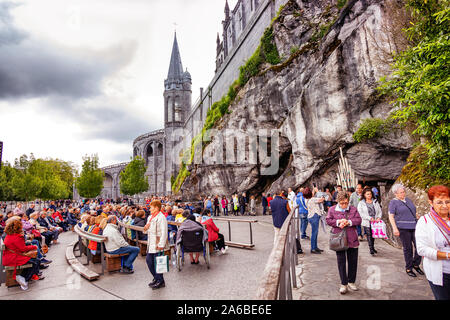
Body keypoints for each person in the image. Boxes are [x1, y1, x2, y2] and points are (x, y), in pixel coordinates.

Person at [415, 185, 450, 300]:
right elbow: (421, 249)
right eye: (439, 202)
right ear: (431, 202)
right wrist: (447, 255)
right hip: (441, 272)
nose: (445, 206)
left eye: (447, 202)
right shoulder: (425, 221)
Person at [326, 191, 362, 294]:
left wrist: (349, 222)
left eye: (346, 203)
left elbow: (359, 220)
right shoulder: (332, 209)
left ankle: (351, 281)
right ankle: (343, 283)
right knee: (341, 262)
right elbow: (328, 220)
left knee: (353, 262)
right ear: (338, 201)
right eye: (341, 203)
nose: (344, 205)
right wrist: (338, 222)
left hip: (352, 238)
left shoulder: (353, 209)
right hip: (339, 239)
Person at [388, 183, 423, 277]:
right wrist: (395, 228)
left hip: (414, 226)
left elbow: (413, 211)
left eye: (403, 192)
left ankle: (416, 264)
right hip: (403, 228)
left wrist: (417, 216)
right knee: (408, 249)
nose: (403, 194)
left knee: (419, 246)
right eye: (401, 192)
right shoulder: (393, 202)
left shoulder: (408, 200)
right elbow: (391, 216)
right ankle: (409, 268)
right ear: (395, 193)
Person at [2, 218, 42, 290]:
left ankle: (23, 277)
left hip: (9, 257)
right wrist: (34, 247)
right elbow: (23, 249)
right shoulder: (17, 237)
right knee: (36, 261)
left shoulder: (9, 235)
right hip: (14, 258)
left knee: (34, 261)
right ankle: (24, 278)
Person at [143, 200, 169, 290]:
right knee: (149, 261)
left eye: (151, 207)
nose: (150, 209)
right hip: (151, 243)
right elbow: (147, 230)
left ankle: (160, 281)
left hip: (157, 243)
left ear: (157, 208)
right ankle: (157, 278)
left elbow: (164, 232)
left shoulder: (161, 218)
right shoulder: (150, 217)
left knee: (157, 262)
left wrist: (161, 244)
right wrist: (145, 229)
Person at [357, 187, 383, 255]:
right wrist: (369, 218)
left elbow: (379, 211)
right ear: (364, 195)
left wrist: (378, 217)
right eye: (367, 194)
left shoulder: (375, 201)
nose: (369, 195)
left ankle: (373, 247)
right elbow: (360, 213)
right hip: (367, 221)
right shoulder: (361, 203)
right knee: (369, 234)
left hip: (375, 221)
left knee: (373, 235)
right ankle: (371, 249)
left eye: (370, 194)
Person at [304, 187, 324, 254]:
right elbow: (322, 199)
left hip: (311, 217)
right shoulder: (312, 199)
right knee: (314, 233)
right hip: (314, 217)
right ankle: (313, 248)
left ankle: (315, 247)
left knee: (314, 232)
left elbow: (310, 195)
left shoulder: (306, 199)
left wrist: (313, 190)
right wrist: (318, 191)